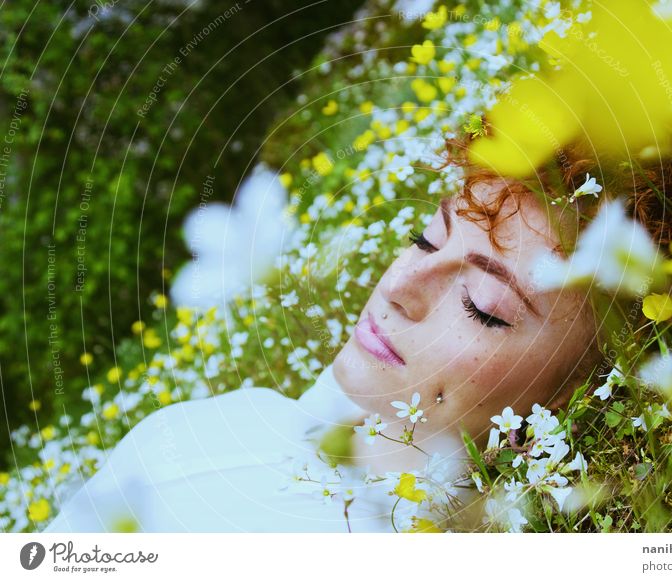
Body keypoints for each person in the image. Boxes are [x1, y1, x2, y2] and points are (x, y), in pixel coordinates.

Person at [43, 137, 610, 533]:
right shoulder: (223, 425)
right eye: (425, 239)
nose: (400, 286)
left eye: (481, 307)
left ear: (569, 398)